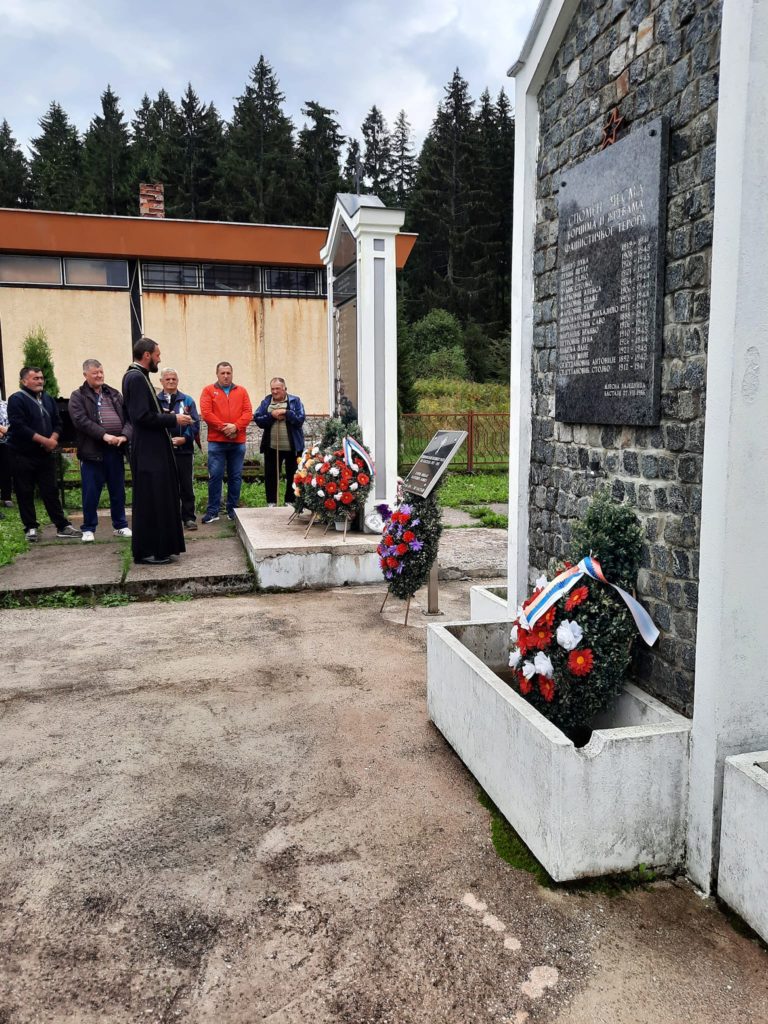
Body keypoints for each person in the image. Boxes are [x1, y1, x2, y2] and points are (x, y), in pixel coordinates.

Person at [122, 338, 192, 565]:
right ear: (147, 355)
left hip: (153, 448)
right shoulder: (136, 378)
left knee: (159, 497)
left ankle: (161, 547)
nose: (159, 360)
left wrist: (162, 412)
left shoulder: (138, 376)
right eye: (157, 355)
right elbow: (141, 417)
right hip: (149, 451)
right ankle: (149, 551)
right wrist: (173, 419)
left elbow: (145, 411)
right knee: (152, 499)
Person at [6, 366, 81, 541]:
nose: (40, 381)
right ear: (24, 381)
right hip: (22, 454)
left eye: (41, 378)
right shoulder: (16, 399)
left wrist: (53, 438)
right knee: (25, 491)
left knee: (51, 491)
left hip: (45, 455)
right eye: (35, 378)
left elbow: (58, 422)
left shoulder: (47, 398)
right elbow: (18, 426)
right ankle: (30, 527)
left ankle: (62, 526)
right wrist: (44, 441)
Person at [68, 359, 132, 543]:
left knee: (118, 490)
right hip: (92, 452)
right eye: (95, 373)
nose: (99, 375)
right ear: (85, 375)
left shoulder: (114, 394)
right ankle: (88, 528)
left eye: (101, 372)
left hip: (115, 449)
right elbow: (81, 421)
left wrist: (125, 436)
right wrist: (104, 435)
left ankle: (120, 525)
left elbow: (129, 418)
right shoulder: (78, 396)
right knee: (91, 492)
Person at [199, 362, 252, 523]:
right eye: (222, 373)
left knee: (235, 476)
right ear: (217, 374)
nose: (226, 376)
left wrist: (236, 427)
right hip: (217, 442)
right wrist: (224, 428)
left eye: (228, 373)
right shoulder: (208, 390)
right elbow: (206, 413)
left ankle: (232, 510)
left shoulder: (242, 391)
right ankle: (213, 511)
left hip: (237, 441)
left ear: (232, 374)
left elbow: (248, 413)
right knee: (215, 476)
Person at [158, 367, 200, 531]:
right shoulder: (156, 401)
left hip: (184, 451)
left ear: (178, 381)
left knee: (186, 485)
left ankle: (189, 518)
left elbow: (195, 423)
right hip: (163, 452)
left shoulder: (187, 400)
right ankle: (170, 518)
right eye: (167, 379)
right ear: (161, 381)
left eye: (173, 379)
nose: (171, 381)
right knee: (167, 486)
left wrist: (185, 439)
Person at [253, 377, 305, 507]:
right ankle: (272, 502)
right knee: (271, 475)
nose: (275, 392)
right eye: (273, 389)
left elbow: (300, 420)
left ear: (285, 389)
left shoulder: (295, 401)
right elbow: (258, 419)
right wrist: (272, 416)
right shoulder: (266, 402)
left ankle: (290, 501)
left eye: (278, 389)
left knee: (293, 474)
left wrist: (286, 413)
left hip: (292, 447)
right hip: (272, 447)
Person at [0, 390, 12, 512]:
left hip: (6, 442)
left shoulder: (6, 404)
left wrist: (5, 431)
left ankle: (6, 497)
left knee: (6, 469)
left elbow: (12, 422)